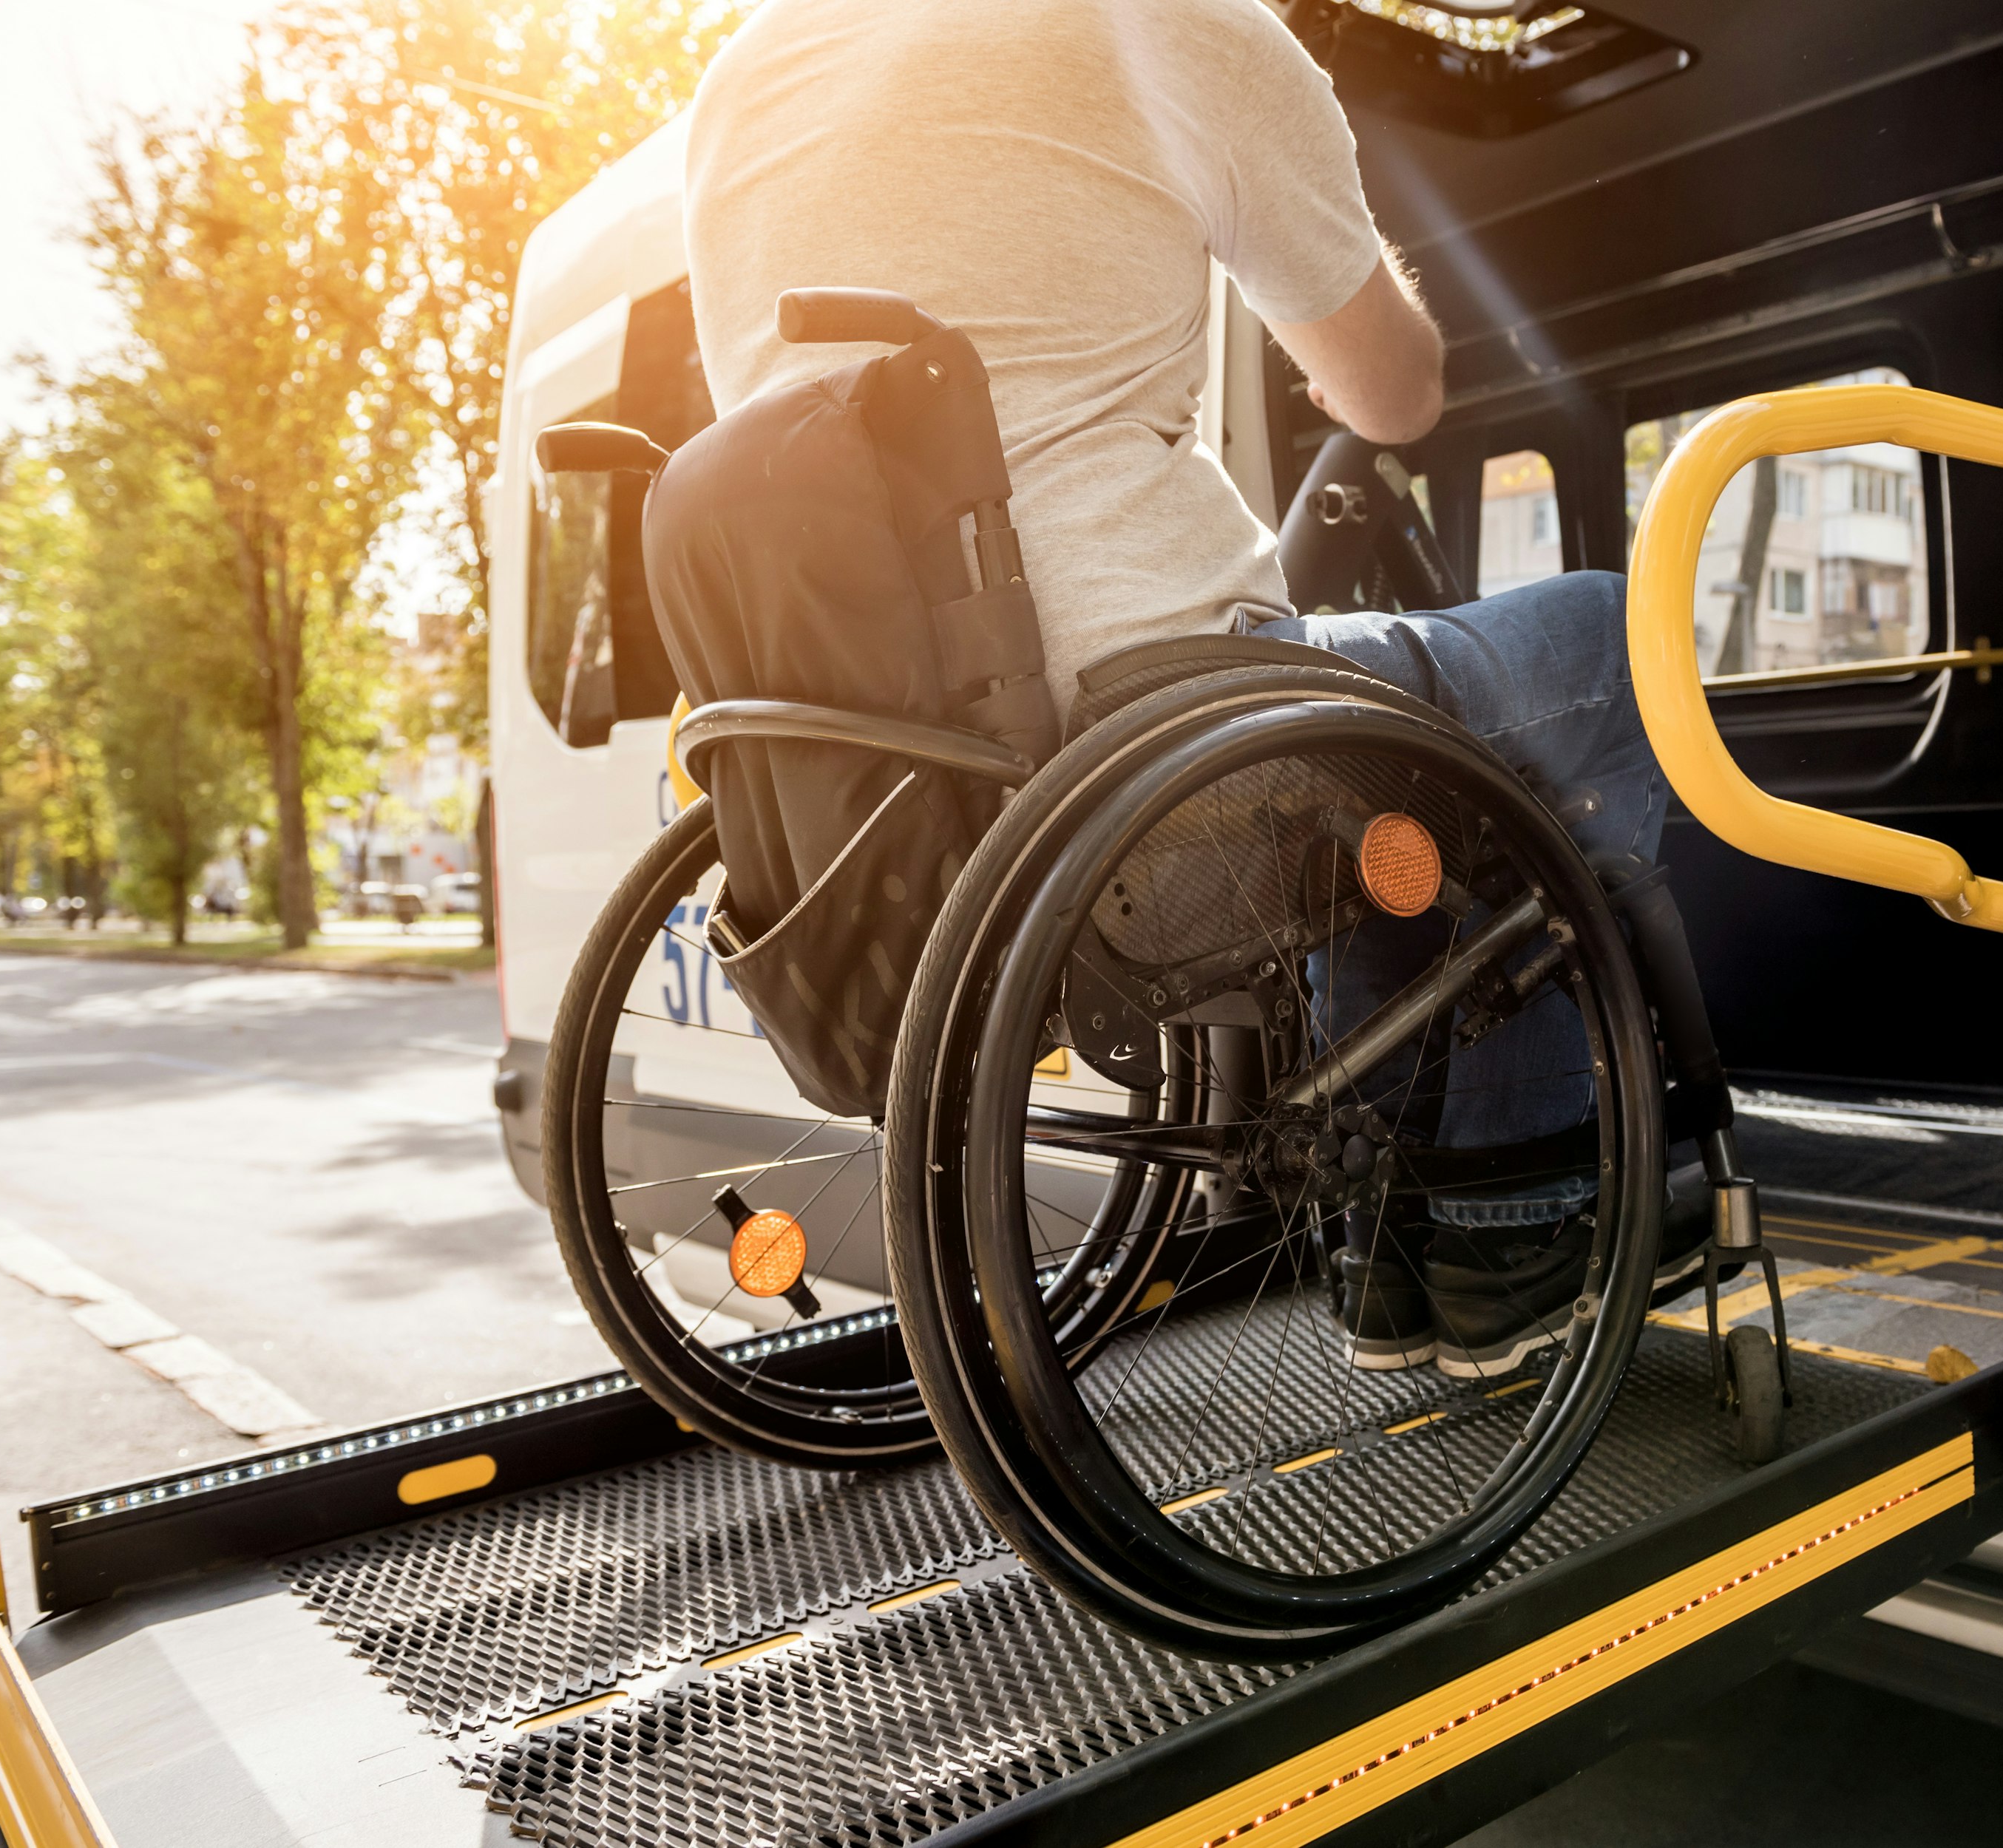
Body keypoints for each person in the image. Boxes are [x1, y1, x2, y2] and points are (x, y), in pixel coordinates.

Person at [684, 0, 1684, 1379]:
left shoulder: (748, 71)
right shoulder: (1174, 23)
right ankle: (1510, 1226)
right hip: (1150, 713)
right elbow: (1395, 395)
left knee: (1377, 742)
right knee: (1594, 638)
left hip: (905, 750)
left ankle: (1390, 1256)